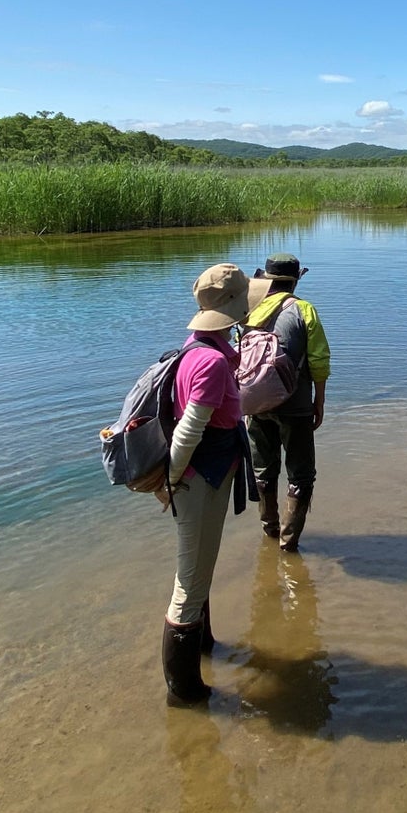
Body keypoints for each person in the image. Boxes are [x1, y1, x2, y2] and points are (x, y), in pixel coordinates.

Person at [160, 263, 254, 707]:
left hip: (204, 479)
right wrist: (170, 482)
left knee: (200, 573)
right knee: (189, 584)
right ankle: (186, 694)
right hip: (198, 483)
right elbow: (188, 432)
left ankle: (205, 646)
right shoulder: (212, 362)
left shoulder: (199, 345)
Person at [243, 252, 332, 554]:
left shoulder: (249, 310)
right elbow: (319, 360)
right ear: (295, 281)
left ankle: (269, 532)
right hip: (294, 406)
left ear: (266, 280)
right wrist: (318, 401)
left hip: (255, 405)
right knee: (301, 475)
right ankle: (288, 543)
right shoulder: (305, 310)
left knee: (263, 471)